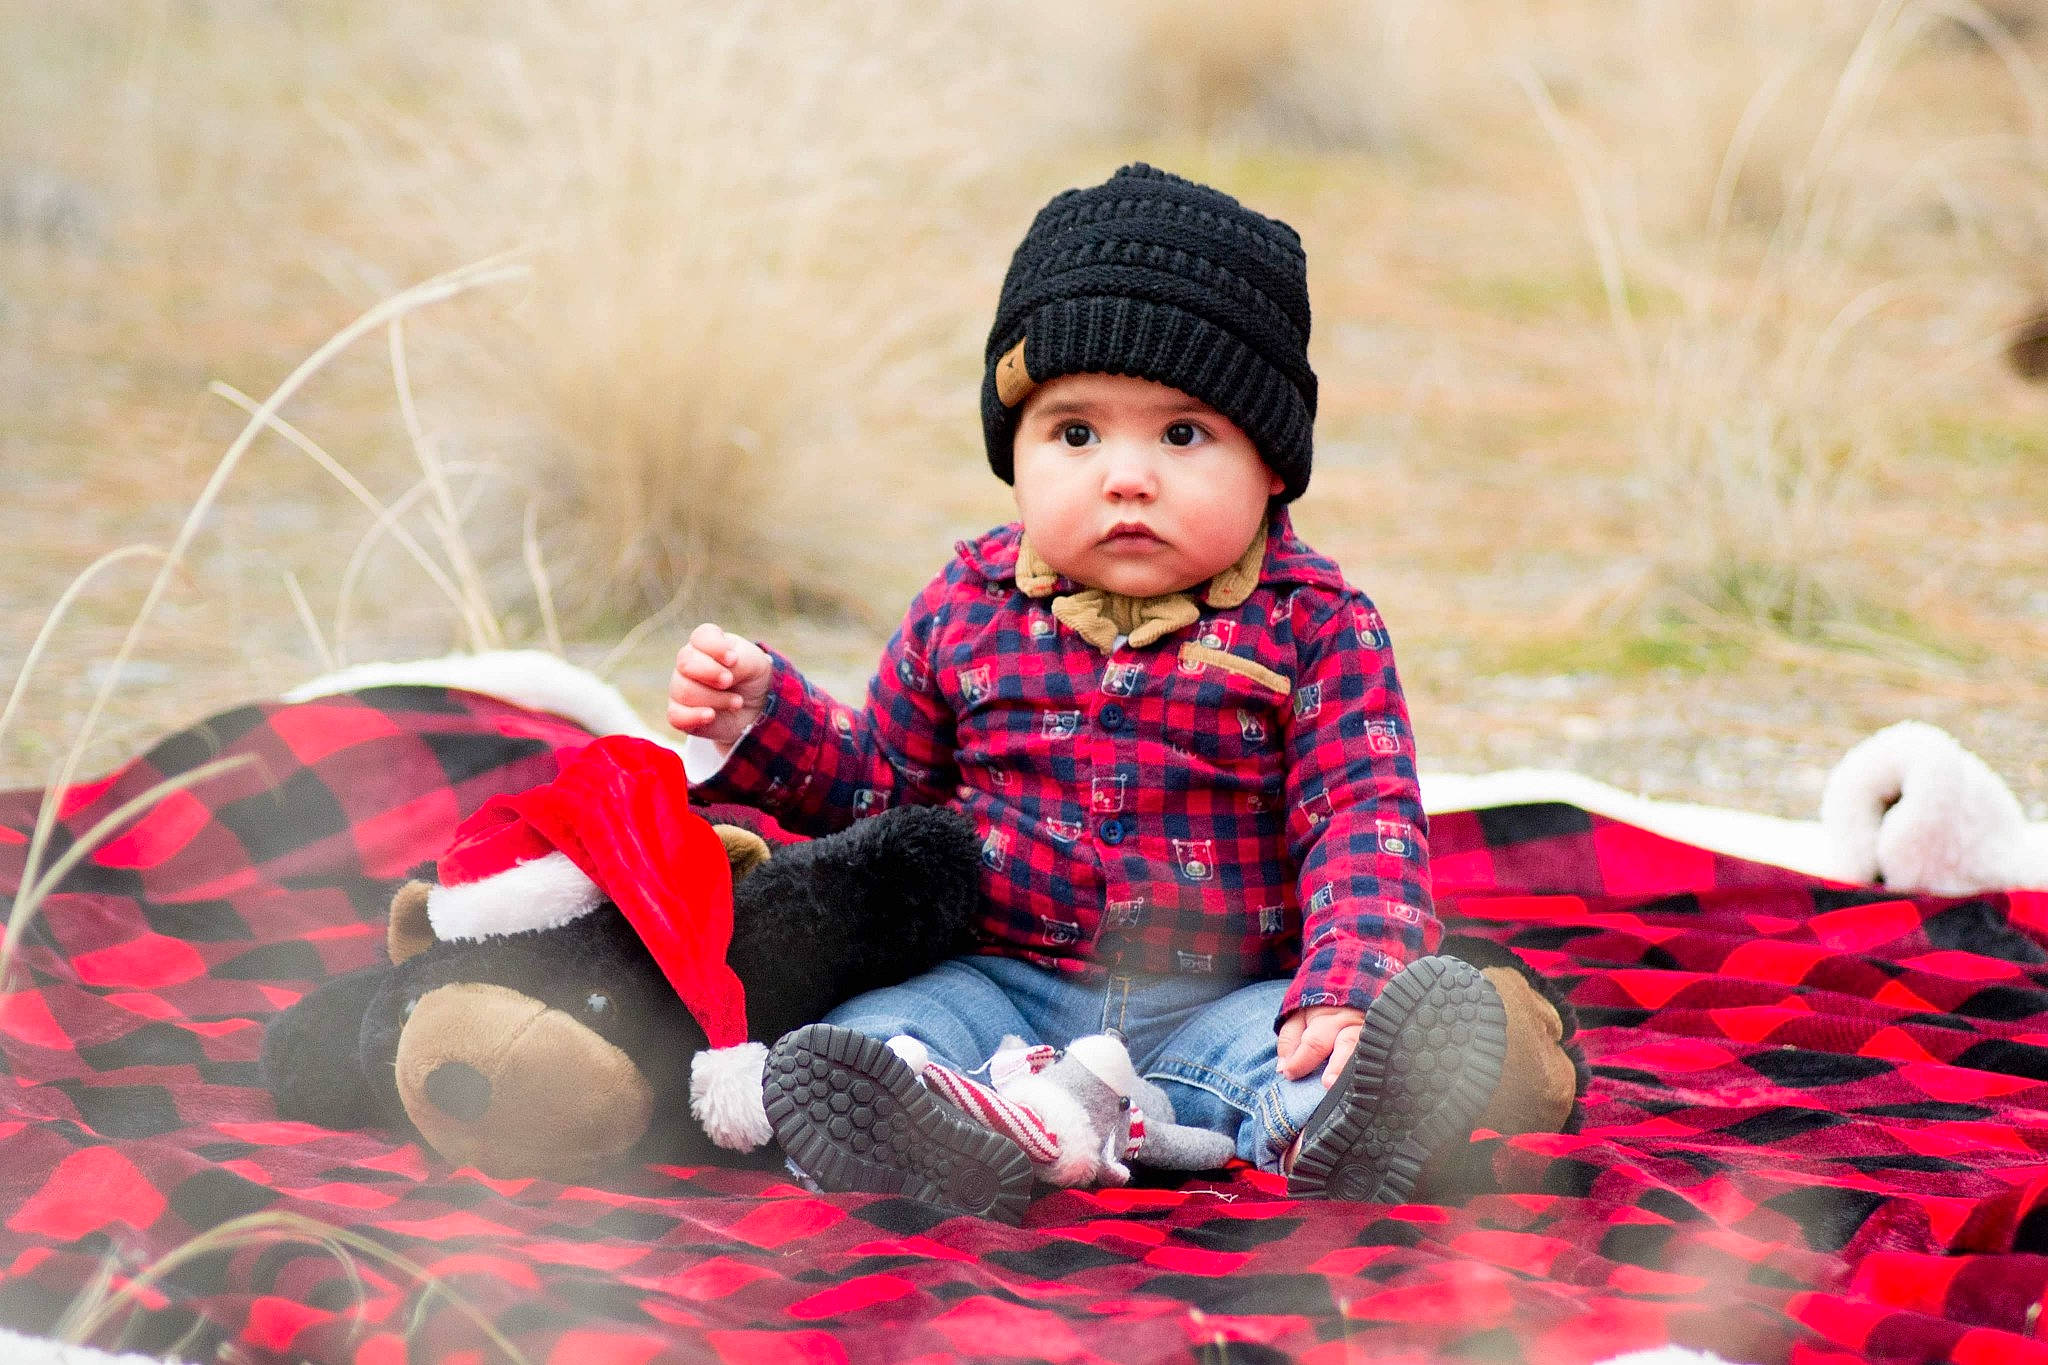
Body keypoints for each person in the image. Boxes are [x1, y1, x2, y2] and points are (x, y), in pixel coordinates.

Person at [670, 164, 1507, 1218]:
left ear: (1272, 467)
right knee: (882, 1030)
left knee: (1297, 1057)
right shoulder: (965, 604)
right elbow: (887, 791)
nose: (1126, 475)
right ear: (1012, 454)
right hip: (1000, 976)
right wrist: (771, 723)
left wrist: (1344, 982)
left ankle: (1347, 1122)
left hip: (1215, 991)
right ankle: (931, 1128)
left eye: (1181, 434)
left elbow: (1362, 818)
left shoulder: (1314, 624)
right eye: (1075, 434)